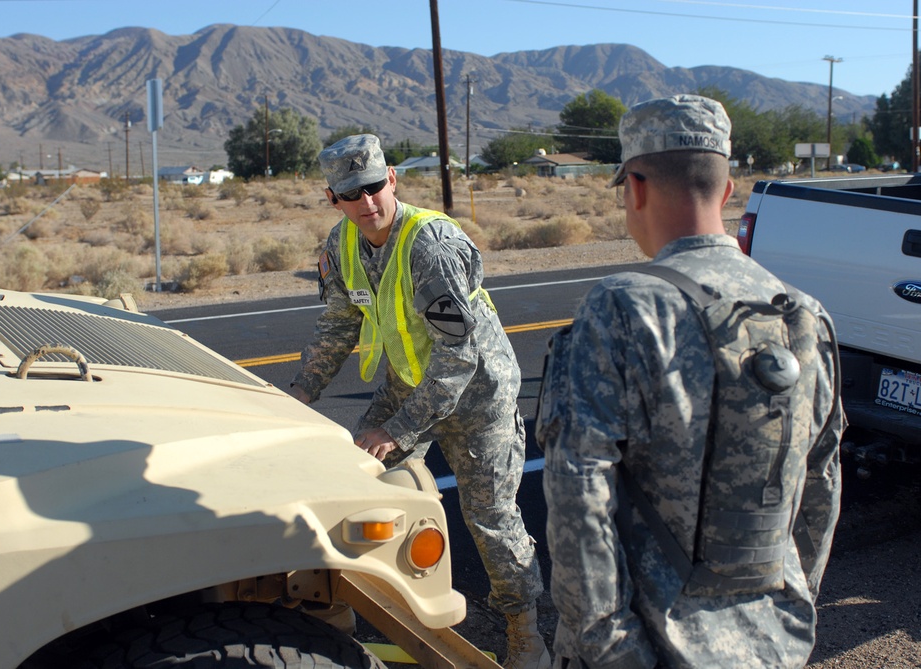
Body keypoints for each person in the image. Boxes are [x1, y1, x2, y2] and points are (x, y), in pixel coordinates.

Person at [535, 95, 845, 669]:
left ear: (635, 188)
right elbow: (818, 486)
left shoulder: (623, 306)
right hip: (772, 642)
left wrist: (611, 649)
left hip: (648, 648)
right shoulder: (804, 315)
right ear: (727, 192)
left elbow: (579, 496)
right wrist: (783, 616)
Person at [290, 134, 549, 669]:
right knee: (355, 489)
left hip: (478, 396)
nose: (366, 204)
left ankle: (526, 635)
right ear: (331, 198)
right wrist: (299, 395)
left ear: (392, 180)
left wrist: (397, 430)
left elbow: (460, 358)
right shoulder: (340, 248)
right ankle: (359, 615)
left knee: (491, 519)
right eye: (350, 194)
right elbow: (338, 325)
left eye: (373, 187)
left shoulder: (430, 245)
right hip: (411, 384)